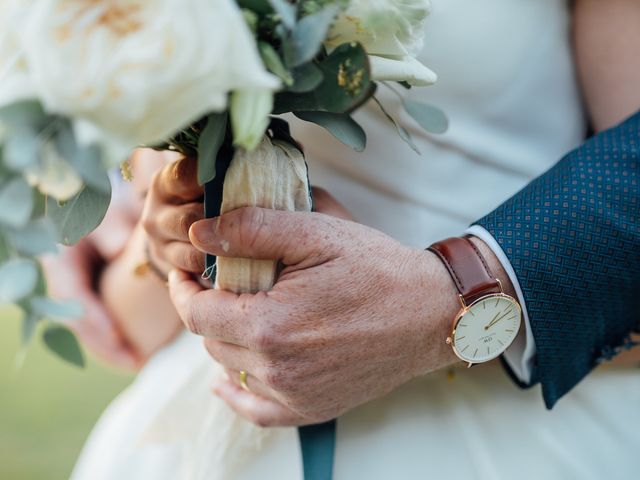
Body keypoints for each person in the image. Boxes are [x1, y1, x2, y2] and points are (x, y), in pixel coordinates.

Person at [69, 1, 640, 479]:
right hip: (208, 423)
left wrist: (450, 304)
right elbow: (135, 323)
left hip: (517, 420)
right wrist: (169, 244)